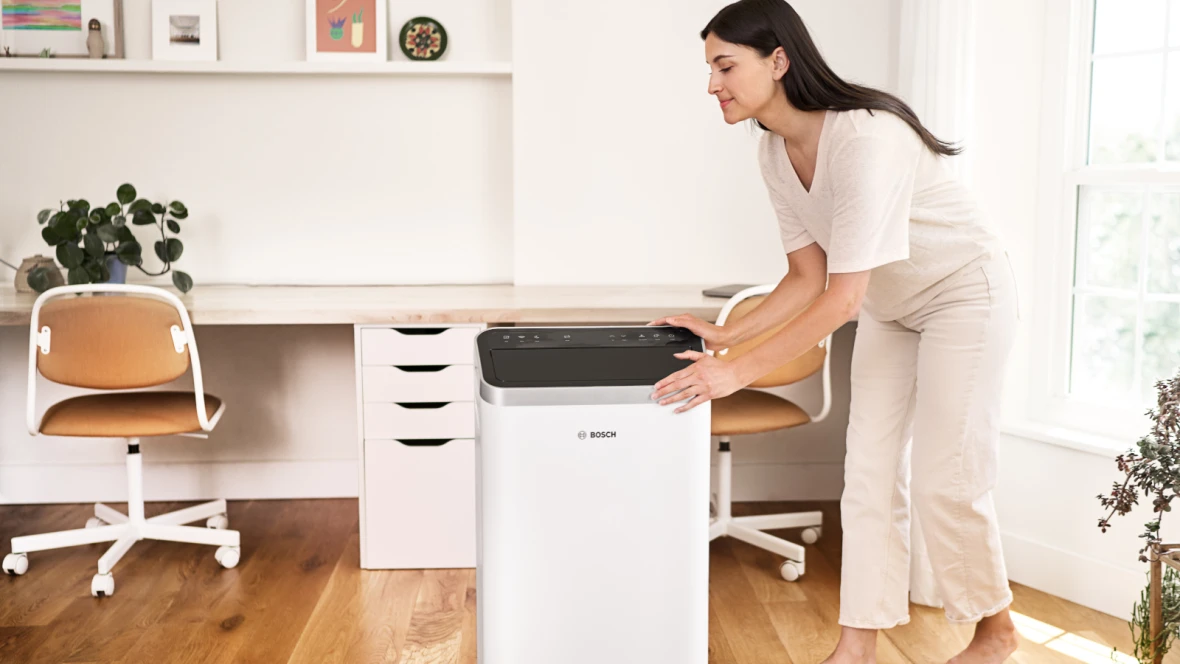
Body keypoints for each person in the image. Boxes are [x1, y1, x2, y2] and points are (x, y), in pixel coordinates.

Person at [646, 1, 1021, 663]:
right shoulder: (774, 149)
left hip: (965, 293)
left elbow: (841, 299)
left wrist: (733, 373)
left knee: (947, 476)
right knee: (868, 472)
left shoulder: (866, 138)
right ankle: (858, 647)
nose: (713, 85)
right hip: (891, 307)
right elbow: (804, 278)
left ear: (779, 61)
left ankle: (995, 630)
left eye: (725, 65)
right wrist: (724, 334)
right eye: (710, 68)